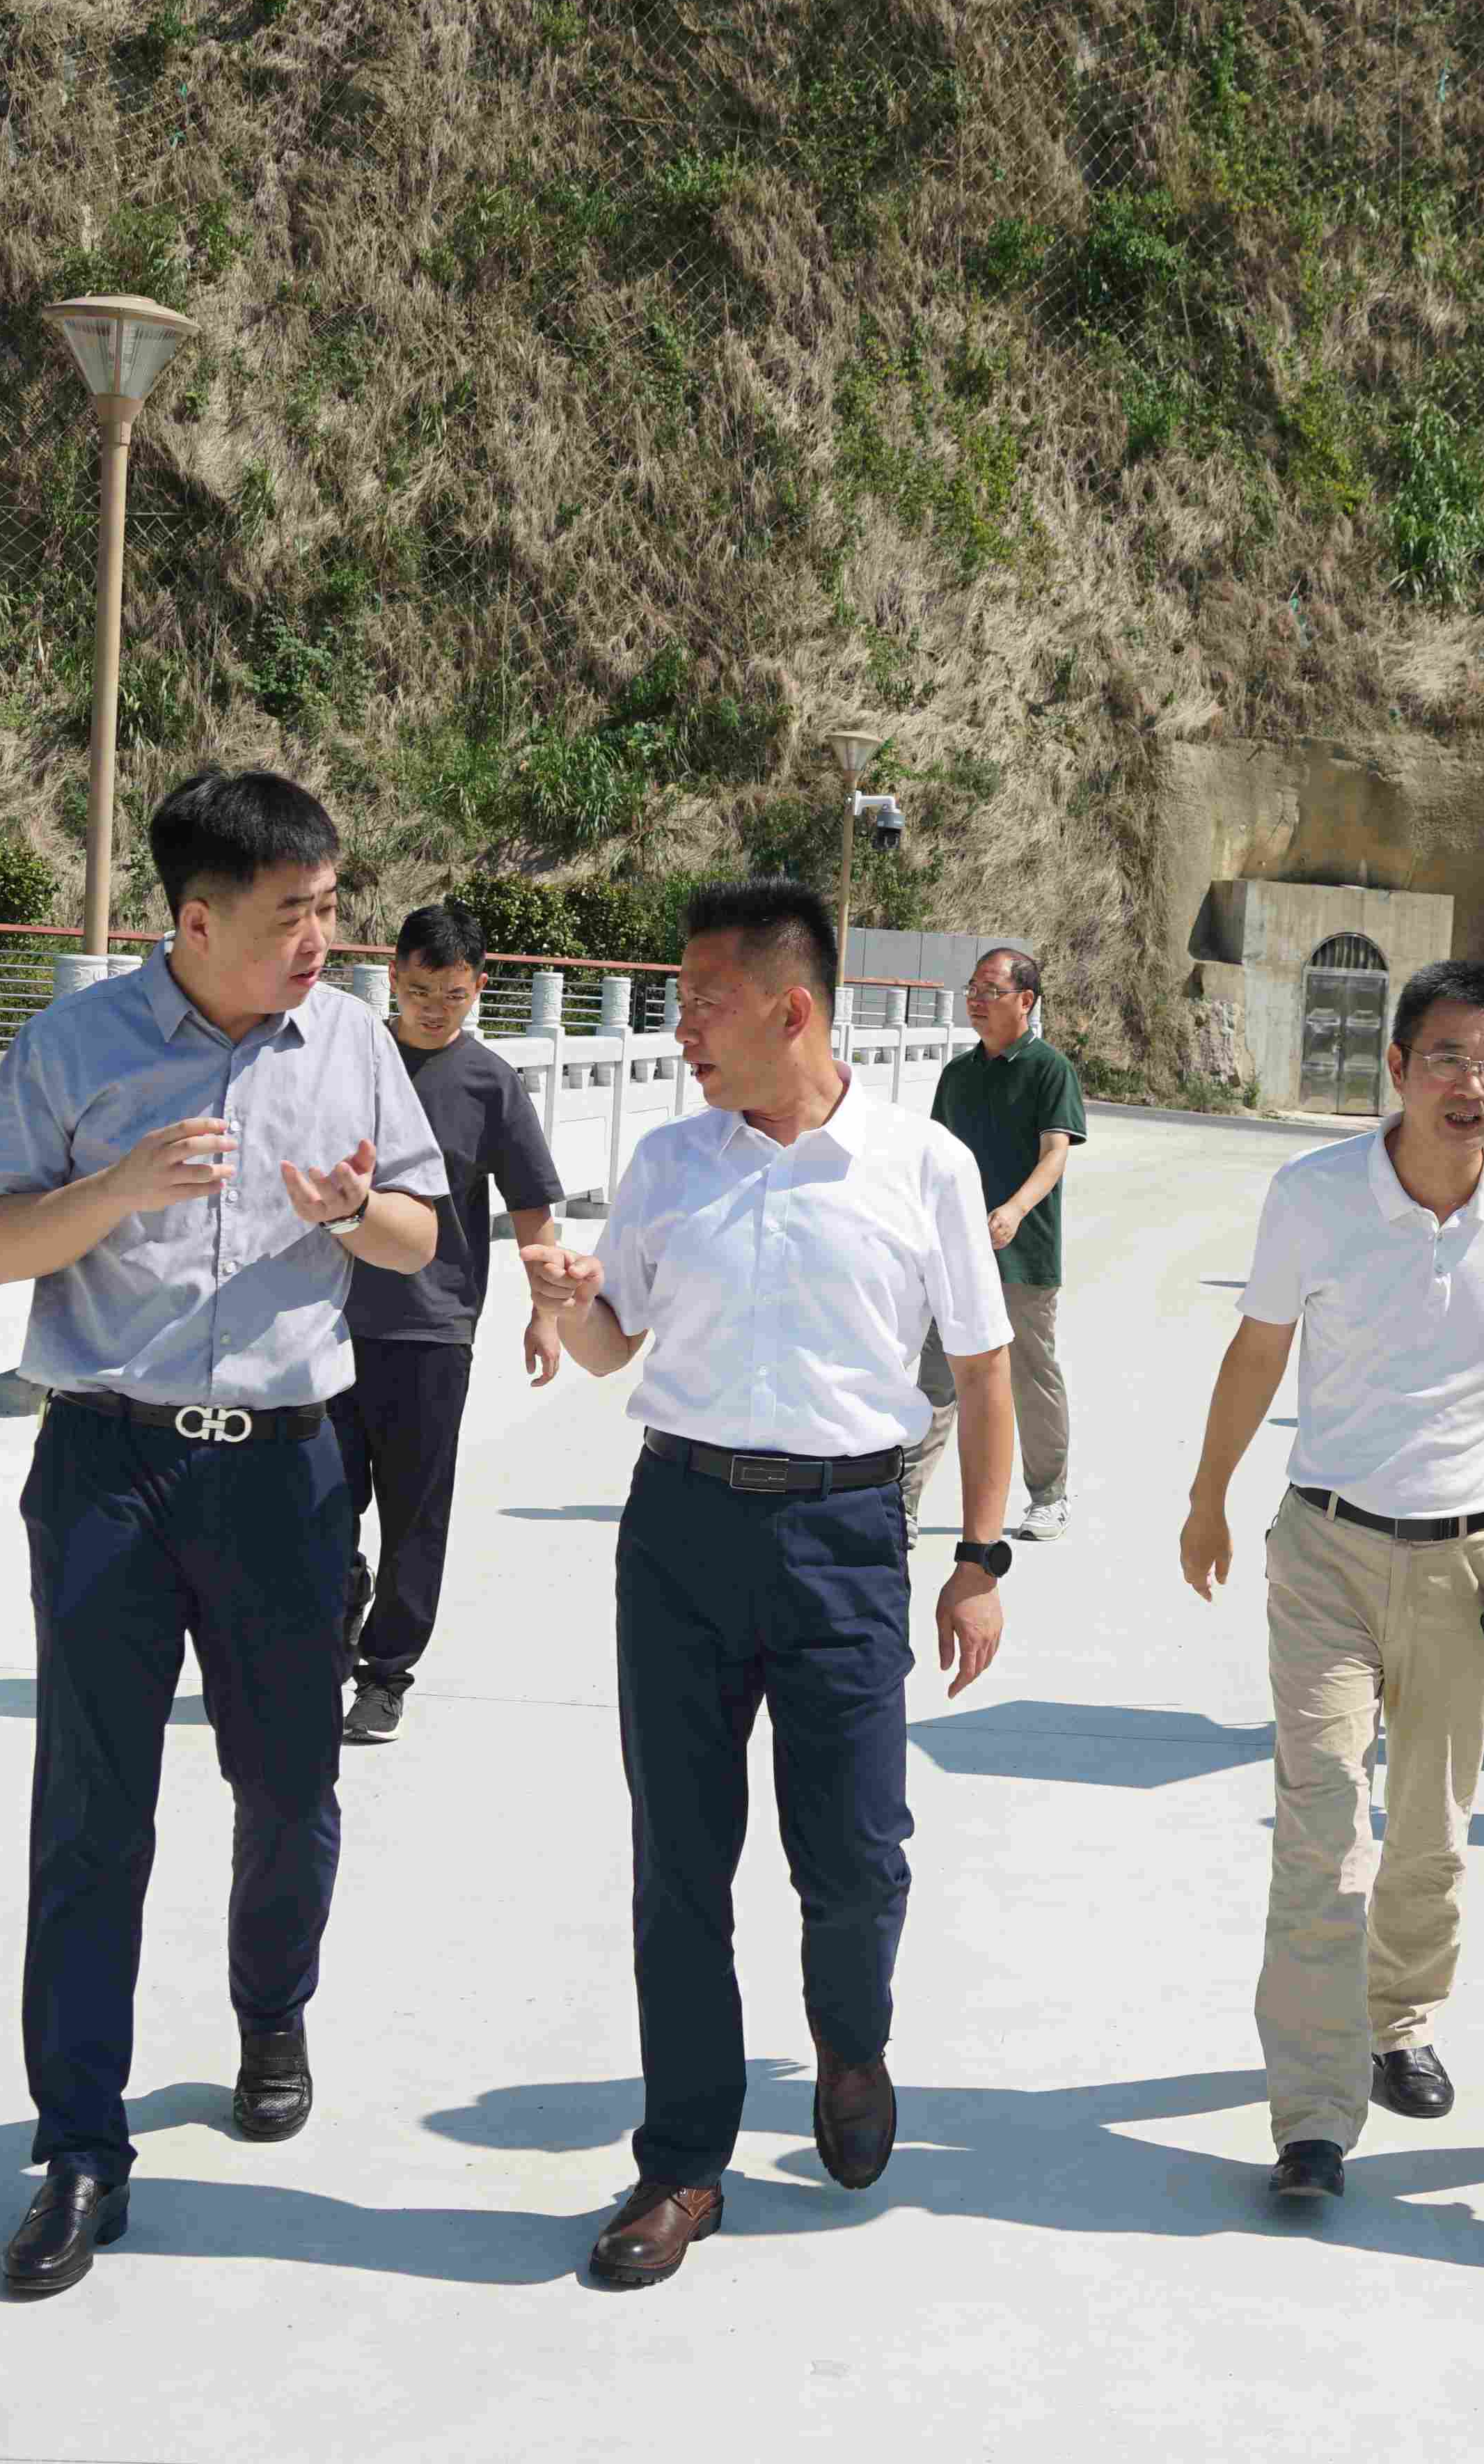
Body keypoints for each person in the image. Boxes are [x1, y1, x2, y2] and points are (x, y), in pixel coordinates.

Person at [0, 770, 450, 2300]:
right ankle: (79, 2145)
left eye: (331, 906)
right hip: (109, 1464)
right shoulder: (76, 1044)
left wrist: (353, 1210)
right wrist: (114, 1187)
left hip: (288, 1472)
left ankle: (271, 2007)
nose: (322, 938)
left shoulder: (352, 1042)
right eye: (295, 912)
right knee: (90, 1810)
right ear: (195, 918)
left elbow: (420, 1233)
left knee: (288, 1787)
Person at [518, 878, 1016, 2293]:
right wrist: (565, 1300)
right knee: (680, 1861)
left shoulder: (922, 1167)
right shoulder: (671, 1162)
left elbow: (982, 1374)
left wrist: (978, 1560)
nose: (682, 1026)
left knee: (855, 1854)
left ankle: (850, 2044)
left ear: (791, 1009)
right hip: (678, 1529)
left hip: (847, 1534)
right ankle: (683, 2160)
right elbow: (614, 1344)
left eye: (704, 1001)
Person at [1179, 957, 1484, 2203]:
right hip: (1329, 1550)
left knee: (1431, 1832)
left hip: (1474, 1559)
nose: (1475, 1086)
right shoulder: (1313, 1195)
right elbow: (1259, 1350)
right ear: (1399, 1067)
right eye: (1450, 1058)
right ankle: (1311, 2114)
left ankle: (1400, 2019)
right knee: (1319, 1832)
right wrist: (1208, 1497)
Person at [333, 900, 569, 1745]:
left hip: (432, 1330)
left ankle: (385, 1673)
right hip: (326, 1324)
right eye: (421, 991)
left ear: (480, 988)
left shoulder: (490, 1083)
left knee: (415, 1513)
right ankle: (336, 1609)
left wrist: (546, 1315)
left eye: (455, 995)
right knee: (313, 1502)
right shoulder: (349, 1064)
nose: (436, 1009)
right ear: (392, 977)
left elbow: (533, 1209)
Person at [910, 945, 1084, 1539]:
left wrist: (1014, 1209)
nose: (976, 1001)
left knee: (1030, 1375)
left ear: (1025, 1000)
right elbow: (933, 1158)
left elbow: (1055, 1154)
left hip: (1023, 1253)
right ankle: (902, 1503)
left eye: (991, 991)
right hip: (955, 1254)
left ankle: (1049, 1496)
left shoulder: (1050, 1070)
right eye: (973, 990)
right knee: (937, 1377)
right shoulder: (958, 1075)